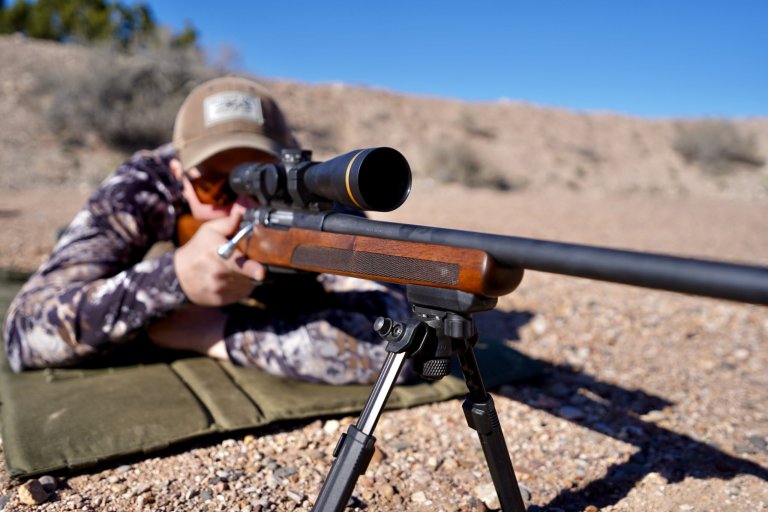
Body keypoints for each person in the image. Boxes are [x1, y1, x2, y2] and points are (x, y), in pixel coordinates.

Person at [2, 76, 412, 384]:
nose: (241, 206)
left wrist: (216, 332)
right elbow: (24, 331)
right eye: (214, 186)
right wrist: (172, 278)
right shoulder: (144, 187)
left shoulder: (316, 198)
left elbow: (406, 344)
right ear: (179, 174)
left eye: (263, 183)